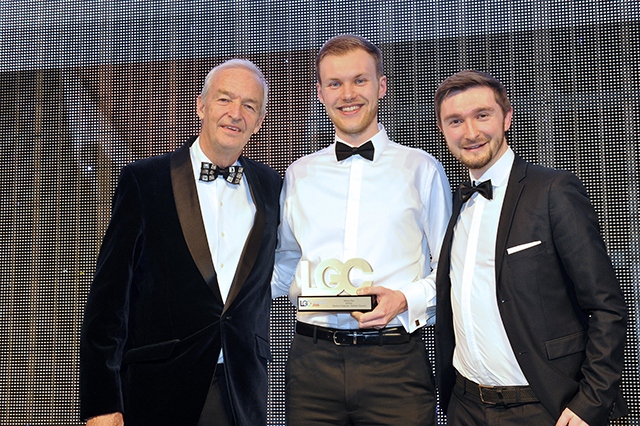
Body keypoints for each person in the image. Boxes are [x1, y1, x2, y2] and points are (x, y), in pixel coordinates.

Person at [80, 59, 281, 426]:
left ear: (259, 120)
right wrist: (101, 401)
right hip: (157, 389)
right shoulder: (145, 180)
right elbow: (109, 299)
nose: (235, 113)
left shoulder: (273, 188)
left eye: (249, 105)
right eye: (224, 100)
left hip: (241, 391)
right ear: (200, 106)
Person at [272, 34, 452, 425]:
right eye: (335, 83)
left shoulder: (422, 169)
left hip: (396, 364)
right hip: (311, 365)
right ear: (320, 93)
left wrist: (404, 299)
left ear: (381, 86)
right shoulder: (299, 174)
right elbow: (285, 262)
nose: (347, 94)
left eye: (360, 80)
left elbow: (450, 269)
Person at [433, 70, 627, 426]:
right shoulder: (457, 205)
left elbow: (606, 307)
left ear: (507, 118)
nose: (471, 132)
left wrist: (590, 401)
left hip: (542, 407)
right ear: (443, 130)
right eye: (455, 121)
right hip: (465, 406)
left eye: (482, 115)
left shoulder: (553, 191)